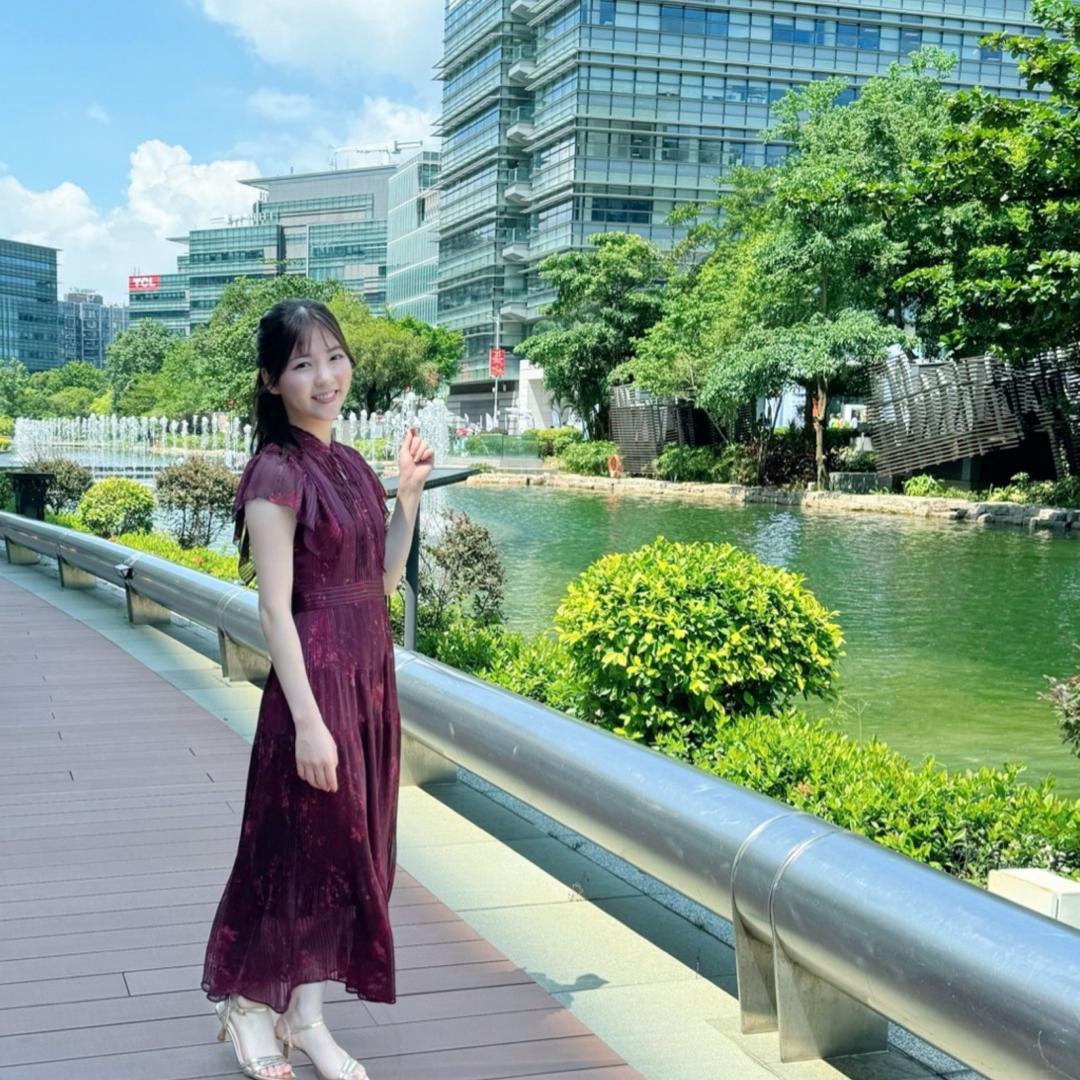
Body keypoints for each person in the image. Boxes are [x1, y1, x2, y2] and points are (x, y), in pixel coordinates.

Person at [202, 298, 433, 1080]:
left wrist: (407, 497)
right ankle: (247, 1004)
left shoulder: (353, 466)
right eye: (303, 364)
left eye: (334, 357)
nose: (325, 376)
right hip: (315, 688)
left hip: (368, 681)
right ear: (272, 381)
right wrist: (307, 723)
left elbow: (383, 581)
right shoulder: (277, 472)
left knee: (346, 855)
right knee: (293, 853)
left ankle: (305, 1017)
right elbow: (275, 607)